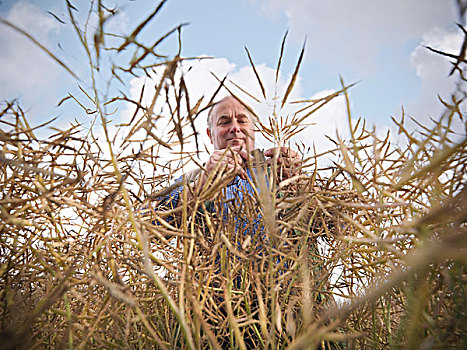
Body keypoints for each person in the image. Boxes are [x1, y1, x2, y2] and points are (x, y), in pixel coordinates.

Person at [153, 95, 303, 223]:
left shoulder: (281, 167)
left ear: (254, 130)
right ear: (210, 135)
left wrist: (300, 184)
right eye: (224, 122)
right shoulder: (195, 177)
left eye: (242, 121)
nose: (235, 128)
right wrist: (202, 186)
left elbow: (325, 223)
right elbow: (146, 226)